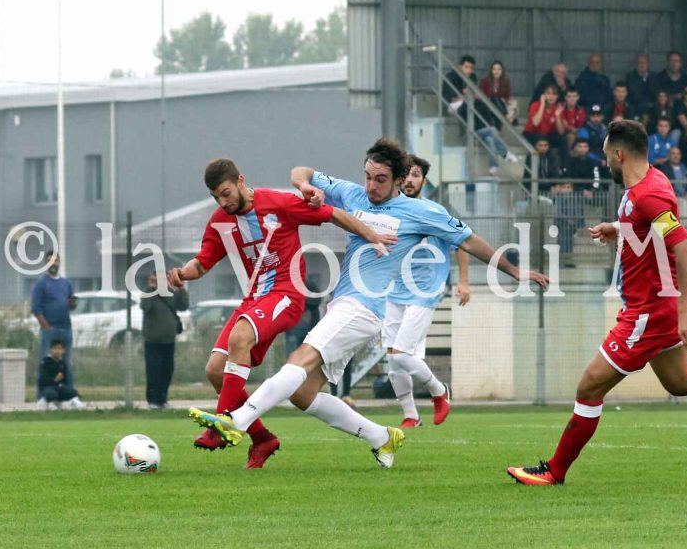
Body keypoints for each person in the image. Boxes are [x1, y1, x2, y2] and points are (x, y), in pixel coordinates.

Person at [189, 139, 549, 468]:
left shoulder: (421, 211)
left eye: (380, 179)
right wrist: (304, 185)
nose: (371, 186)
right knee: (302, 393)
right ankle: (381, 437)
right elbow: (302, 171)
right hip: (343, 305)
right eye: (368, 176)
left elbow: (469, 240)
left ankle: (237, 421)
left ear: (399, 180)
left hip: (364, 308)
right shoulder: (353, 194)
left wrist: (513, 270)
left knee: (299, 359)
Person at [506, 119, 687, 486]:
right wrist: (619, 229)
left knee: (589, 388)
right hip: (655, 307)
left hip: (647, 312)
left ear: (619, 154)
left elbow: (684, 248)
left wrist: (685, 310)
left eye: (606, 155)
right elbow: (649, 227)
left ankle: (555, 470)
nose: (604, 162)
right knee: (681, 382)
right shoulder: (646, 184)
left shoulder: (648, 194)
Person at [167, 157, 392, 469]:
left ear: (241, 181)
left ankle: (221, 425)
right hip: (254, 300)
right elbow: (203, 262)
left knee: (240, 338)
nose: (223, 202)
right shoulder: (221, 221)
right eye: (216, 197)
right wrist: (182, 273)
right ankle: (262, 439)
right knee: (215, 370)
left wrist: (372, 236)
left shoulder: (278, 203)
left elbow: (332, 214)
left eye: (226, 193)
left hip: (286, 293)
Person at [386, 155, 471, 429]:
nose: (410, 180)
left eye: (416, 175)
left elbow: (461, 242)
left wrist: (463, 281)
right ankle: (411, 416)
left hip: (425, 291)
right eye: (406, 175)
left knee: (401, 354)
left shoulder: (435, 211)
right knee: (393, 360)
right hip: (395, 290)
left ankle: (439, 391)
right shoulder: (390, 210)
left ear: (424, 180)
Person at [140, 272, 189, 409]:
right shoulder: (148, 293)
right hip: (152, 339)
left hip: (169, 340)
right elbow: (145, 307)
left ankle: (162, 399)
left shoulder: (171, 293)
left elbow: (183, 306)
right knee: (153, 370)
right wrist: (151, 289)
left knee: (167, 371)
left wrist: (181, 288)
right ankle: (152, 400)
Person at [31, 253, 76, 390]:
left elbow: (71, 304)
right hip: (50, 330)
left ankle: (68, 394)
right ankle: (44, 394)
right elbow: (36, 308)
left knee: (67, 363)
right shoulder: (41, 284)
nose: (53, 263)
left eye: (55, 260)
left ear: (59, 262)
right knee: (45, 362)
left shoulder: (66, 283)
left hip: (66, 328)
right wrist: (46, 327)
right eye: (49, 260)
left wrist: (72, 303)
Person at [36, 339, 86, 410]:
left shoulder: (62, 363)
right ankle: (43, 403)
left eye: (59, 348)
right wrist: (54, 380)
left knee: (72, 392)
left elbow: (65, 380)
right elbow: (42, 380)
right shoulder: (45, 361)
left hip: (57, 387)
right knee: (51, 394)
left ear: (63, 350)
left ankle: (62, 403)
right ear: (51, 350)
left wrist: (74, 392)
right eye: (55, 348)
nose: (57, 351)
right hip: (46, 387)